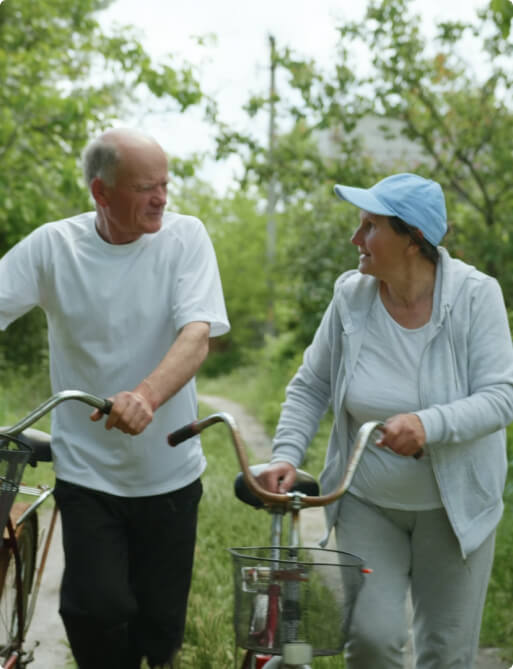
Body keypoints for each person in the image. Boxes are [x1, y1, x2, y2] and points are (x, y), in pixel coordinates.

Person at [257, 173, 513, 669]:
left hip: (455, 507)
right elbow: (311, 384)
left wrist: (428, 424)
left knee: (447, 653)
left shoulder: (476, 297)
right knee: (372, 641)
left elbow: (502, 396)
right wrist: (286, 453)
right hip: (368, 502)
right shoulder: (351, 296)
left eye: (370, 227)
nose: (356, 239)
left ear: (413, 239)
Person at [0, 128, 230, 669]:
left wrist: (146, 396)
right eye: (145, 187)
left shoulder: (185, 238)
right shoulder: (54, 247)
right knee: (93, 609)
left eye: (165, 184)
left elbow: (197, 334)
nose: (161, 198)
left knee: (159, 628)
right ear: (101, 193)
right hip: (88, 473)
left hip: (169, 474)